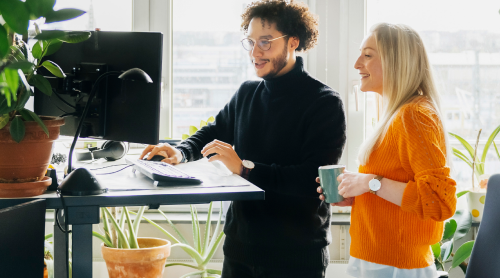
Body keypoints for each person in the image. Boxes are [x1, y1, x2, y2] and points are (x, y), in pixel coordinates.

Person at [140, 1, 346, 277]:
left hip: (295, 256)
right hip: (240, 249)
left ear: (293, 41)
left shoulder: (324, 103)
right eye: (250, 42)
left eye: (265, 42)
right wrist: (180, 152)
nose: (255, 52)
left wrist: (245, 169)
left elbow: (313, 181)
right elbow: (214, 131)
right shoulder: (247, 92)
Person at [317, 23, 457, 278]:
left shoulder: (413, 116)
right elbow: (399, 187)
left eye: (368, 55)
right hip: (377, 260)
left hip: (396, 267)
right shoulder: (395, 115)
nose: (357, 64)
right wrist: (358, 194)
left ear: (397, 62)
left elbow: (439, 202)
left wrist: (370, 183)